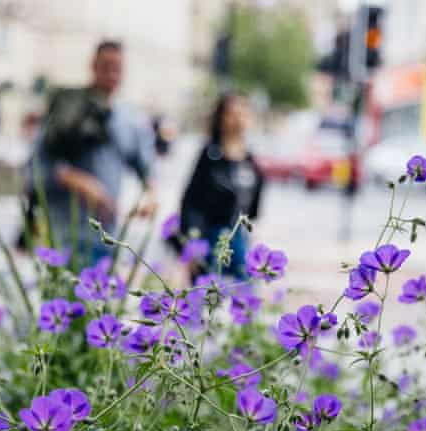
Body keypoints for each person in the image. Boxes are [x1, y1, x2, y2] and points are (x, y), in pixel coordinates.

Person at [25, 40, 156, 263]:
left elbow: (147, 168)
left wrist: (150, 195)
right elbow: (35, 168)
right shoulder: (67, 108)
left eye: (118, 68)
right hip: (64, 235)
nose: (112, 74)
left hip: (107, 235)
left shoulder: (129, 118)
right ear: (93, 66)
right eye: (106, 66)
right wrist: (75, 179)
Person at [178, 92, 264, 279]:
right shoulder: (210, 156)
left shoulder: (250, 161)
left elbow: (254, 208)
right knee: (209, 295)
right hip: (210, 237)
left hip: (240, 237)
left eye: (243, 113)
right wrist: (192, 245)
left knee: (245, 295)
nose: (238, 118)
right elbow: (191, 202)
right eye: (232, 113)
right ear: (221, 118)